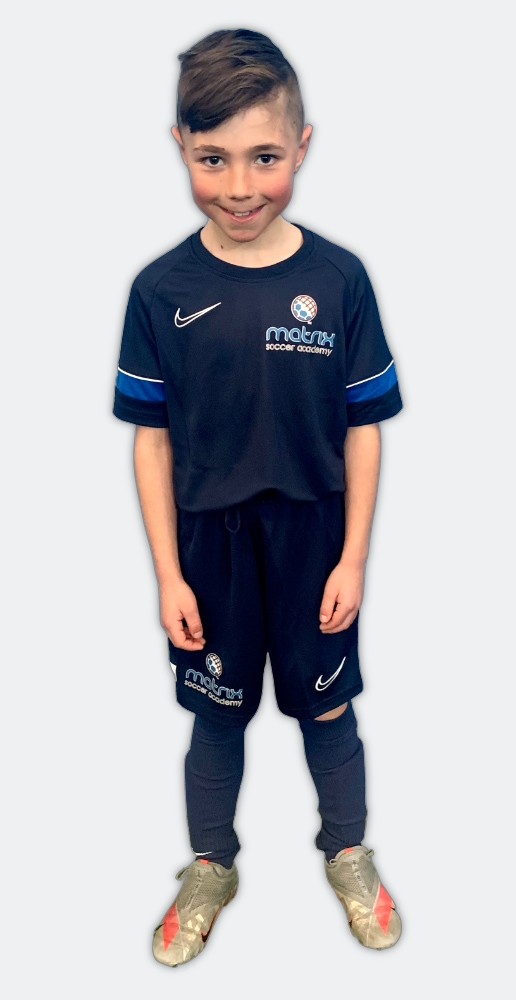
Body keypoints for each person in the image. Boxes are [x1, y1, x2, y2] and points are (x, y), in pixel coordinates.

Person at [113, 28, 403, 965]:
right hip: (211, 546)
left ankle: (347, 850)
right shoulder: (160, 291)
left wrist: (353, 557)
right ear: (180, 147)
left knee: (328, 707)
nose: (240, 186)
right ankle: (212, 865)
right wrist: (168, 575)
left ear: (303, 147)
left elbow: (364, 428)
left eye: (265, 157)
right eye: (213, 159)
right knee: (216, 713)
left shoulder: (339, 279)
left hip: (314, 539)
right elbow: (151, 441)